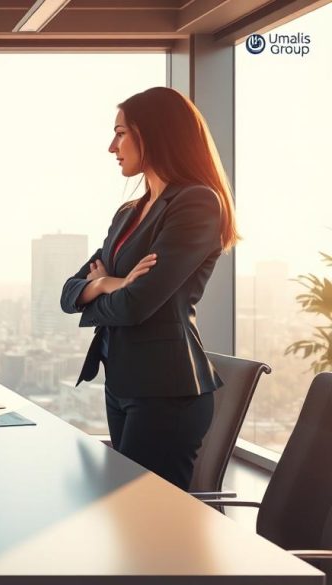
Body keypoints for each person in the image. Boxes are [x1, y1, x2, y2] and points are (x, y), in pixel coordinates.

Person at [59, 87, 239, 490]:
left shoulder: (196, 204)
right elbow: (69, 292)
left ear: (153, 134)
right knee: (127, 519)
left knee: (149, 522)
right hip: (122, 383)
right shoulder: (129, 212)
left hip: (166, 392)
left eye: (120, 133)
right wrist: (110, 282)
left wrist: (102, 287)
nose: (111, 146)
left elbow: (134, 307)